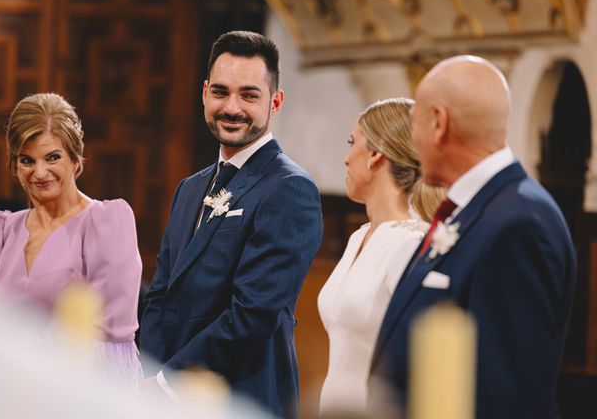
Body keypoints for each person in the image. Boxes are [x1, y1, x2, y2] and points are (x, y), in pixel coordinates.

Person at [369, 56, 576, 418]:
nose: (414, 139)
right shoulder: (477, 208)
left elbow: (504, 394)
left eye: (415, 122)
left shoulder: (519, 224)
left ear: (438, 123)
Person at [139, 30, 323, 418]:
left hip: (243, 395)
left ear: (276, 101)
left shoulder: (290, 189)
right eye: (221, 92)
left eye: (249, 95)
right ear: (204, 93)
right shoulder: (188, 189)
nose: (232, 107)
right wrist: (151, 374)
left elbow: (252, 313)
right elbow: (160, 296)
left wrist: (169, 382)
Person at [0, 93, 143, 384]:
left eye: (52, 157)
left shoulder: (105, 222)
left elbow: (113, 347)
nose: (40, 172)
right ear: (14, 165)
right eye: (27, 160)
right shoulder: (5, 229)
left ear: (75, 158)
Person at [317, 98, 443, 414]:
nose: (346, 159)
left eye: (352, 143)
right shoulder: (359, 237)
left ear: (375, 155)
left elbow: (422, 358)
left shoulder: (411, 243)